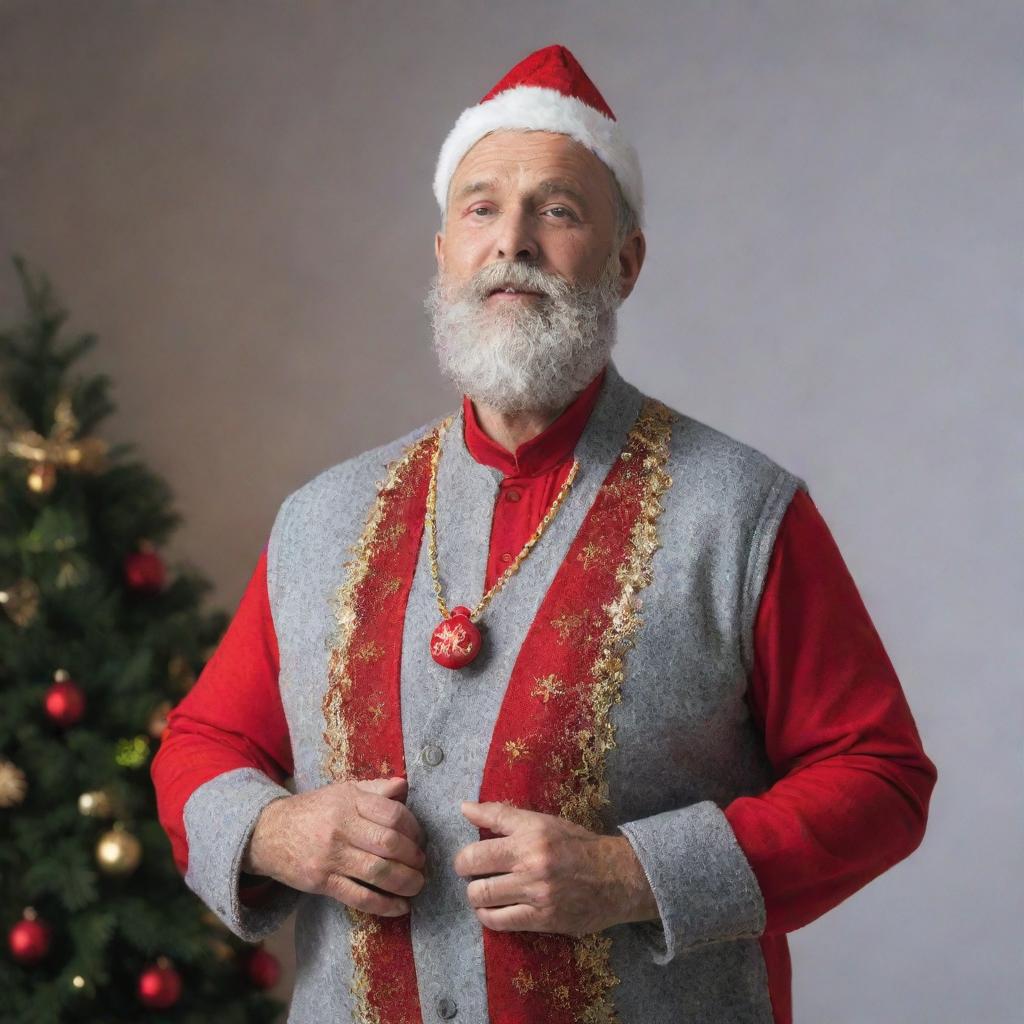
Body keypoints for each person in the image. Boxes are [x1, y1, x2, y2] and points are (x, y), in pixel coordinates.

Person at [151, 44, 938, 1024]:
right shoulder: (321, 516)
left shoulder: (741, 510)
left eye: (558, 211)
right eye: (480, 207)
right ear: (442, 252)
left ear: (626, 261)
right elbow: (199, 745)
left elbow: (879, 779)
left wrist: (627, 873)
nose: (511, 241)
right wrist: (270, 830)